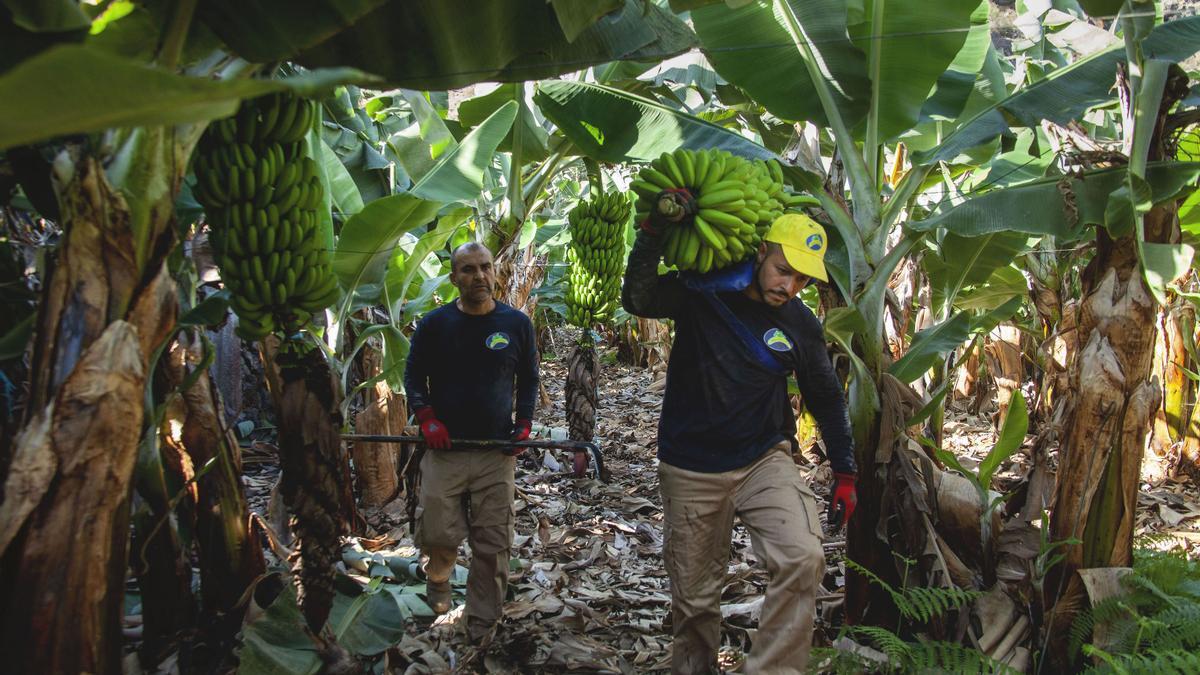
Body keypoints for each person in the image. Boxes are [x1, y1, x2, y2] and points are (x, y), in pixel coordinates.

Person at [622, 206, 858, 674]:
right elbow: (639, 297)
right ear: (761, 252)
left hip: (762, 460)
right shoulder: (701, 291)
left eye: (802, 281)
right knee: (694, 602)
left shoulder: (800, 324)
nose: (790, 287)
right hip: (690, 464)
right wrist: (652, 233)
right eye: (783, 271)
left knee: (803, 556)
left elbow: (827, 399)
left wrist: (845, 470)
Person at [403, 241, 539, 642]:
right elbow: (413, 378)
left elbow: (529, 378)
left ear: (494, 272)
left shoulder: (516, 324)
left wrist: (525, 424)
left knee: (493, 543)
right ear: (454, 278)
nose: (479, 276)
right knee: (439, 534)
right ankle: (440, 576)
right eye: (468, 270)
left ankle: (482, 623)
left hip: (495, 453)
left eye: (485, 267)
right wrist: (426, 418)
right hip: (445, 452)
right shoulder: (435, 324)